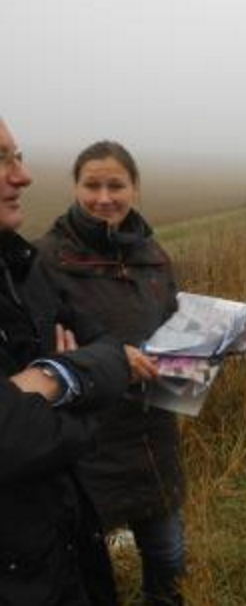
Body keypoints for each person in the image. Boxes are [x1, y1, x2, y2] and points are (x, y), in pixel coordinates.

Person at [36, 141, 186, 606]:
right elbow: (34, 353)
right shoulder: (45, 261)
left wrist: (228, 342)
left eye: (116, 185)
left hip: (153, 435)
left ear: (134, 189)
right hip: (86, 442)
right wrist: (104, 360)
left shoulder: (155, 258)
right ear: (75, 187)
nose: (104, 197)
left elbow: (176, 337)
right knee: (86, 572)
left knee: (168, 557)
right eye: (92, 185)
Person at [0, 117, 131, 605]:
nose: (23, 175)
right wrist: (83, 398)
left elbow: (111, 351)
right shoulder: (47, 256)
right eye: (1, 159)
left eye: (18, 155)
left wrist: (51, 378)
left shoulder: (19, 269)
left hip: (64, 545)